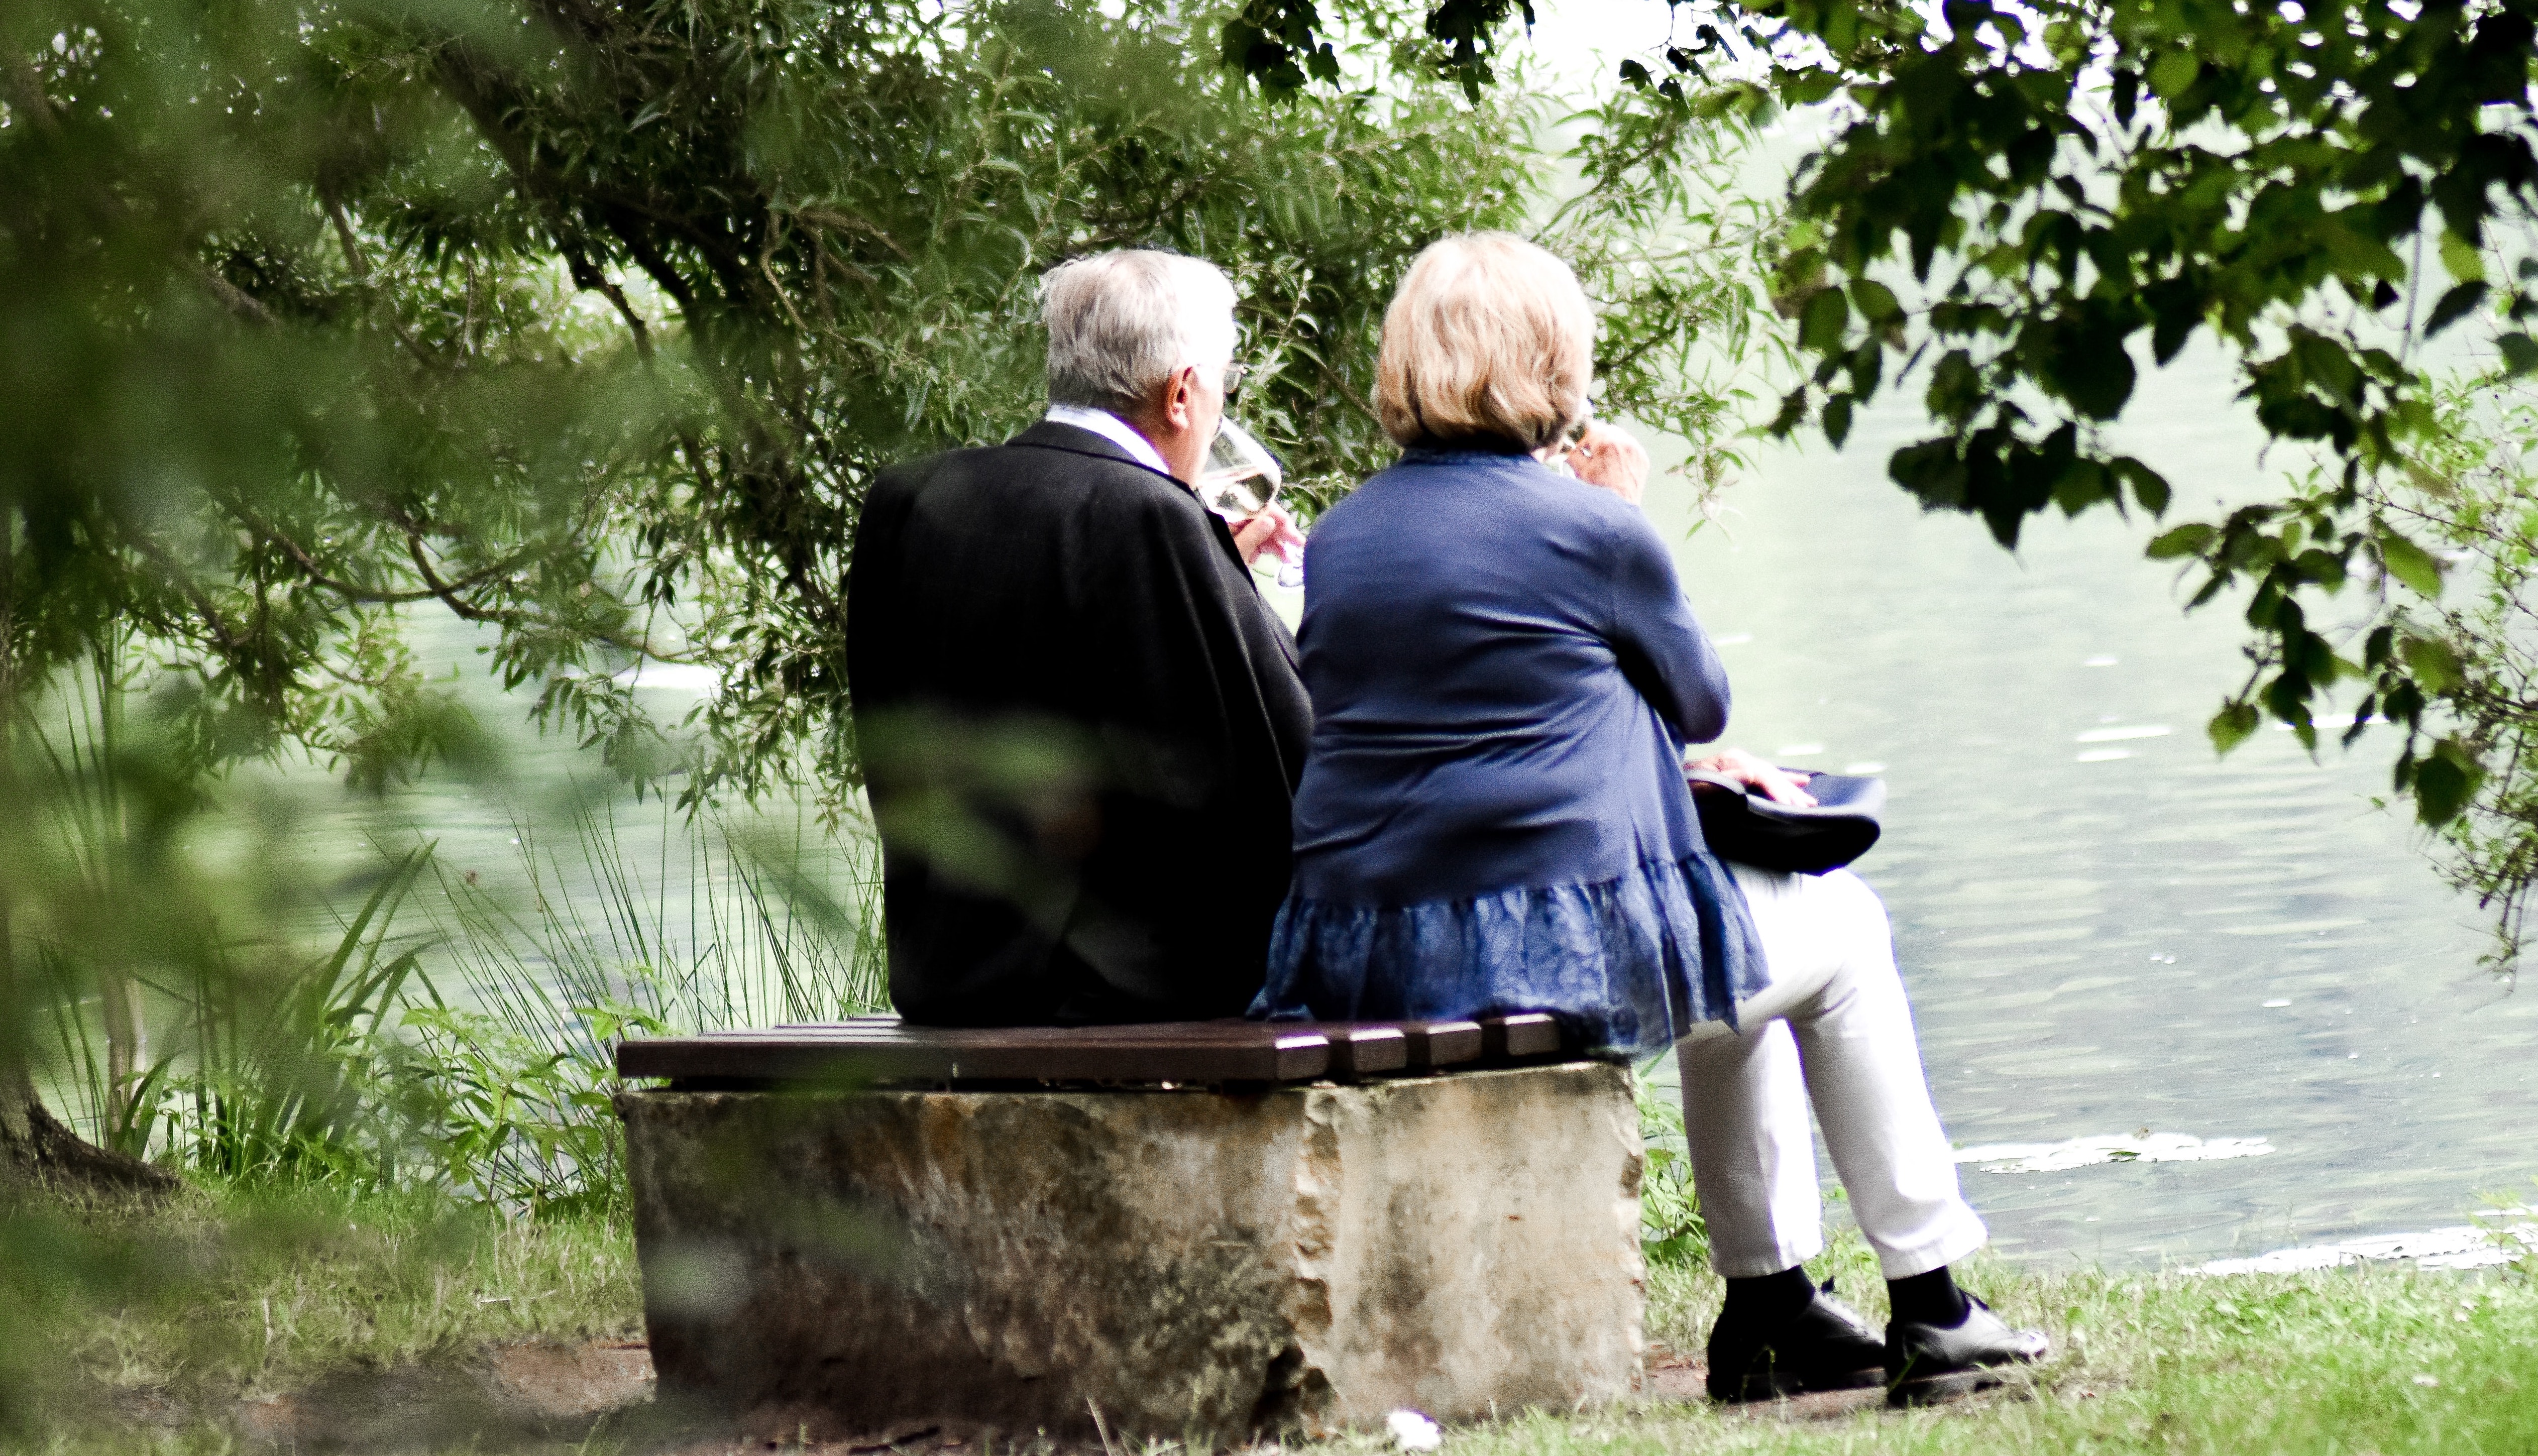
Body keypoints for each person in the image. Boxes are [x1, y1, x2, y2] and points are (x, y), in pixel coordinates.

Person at [1248, 232, 2047, 1406]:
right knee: (1846, 930)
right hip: (1540, 955)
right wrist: (1623, 514)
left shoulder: (1349, 536)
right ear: (1550, 361)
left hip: (1370, 946)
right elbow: (1700, 698)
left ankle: (1772, 1306)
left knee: (1745, 965)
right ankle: (1932, 1298)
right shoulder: (1591, 528)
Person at [845, 250, 1309, 1027]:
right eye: (1224, 387)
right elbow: (1273, 767)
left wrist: (1214, 564)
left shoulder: (908, 500)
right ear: (1184, 393)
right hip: (1122, 994)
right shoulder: (1150, 519)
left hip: (947, 976)